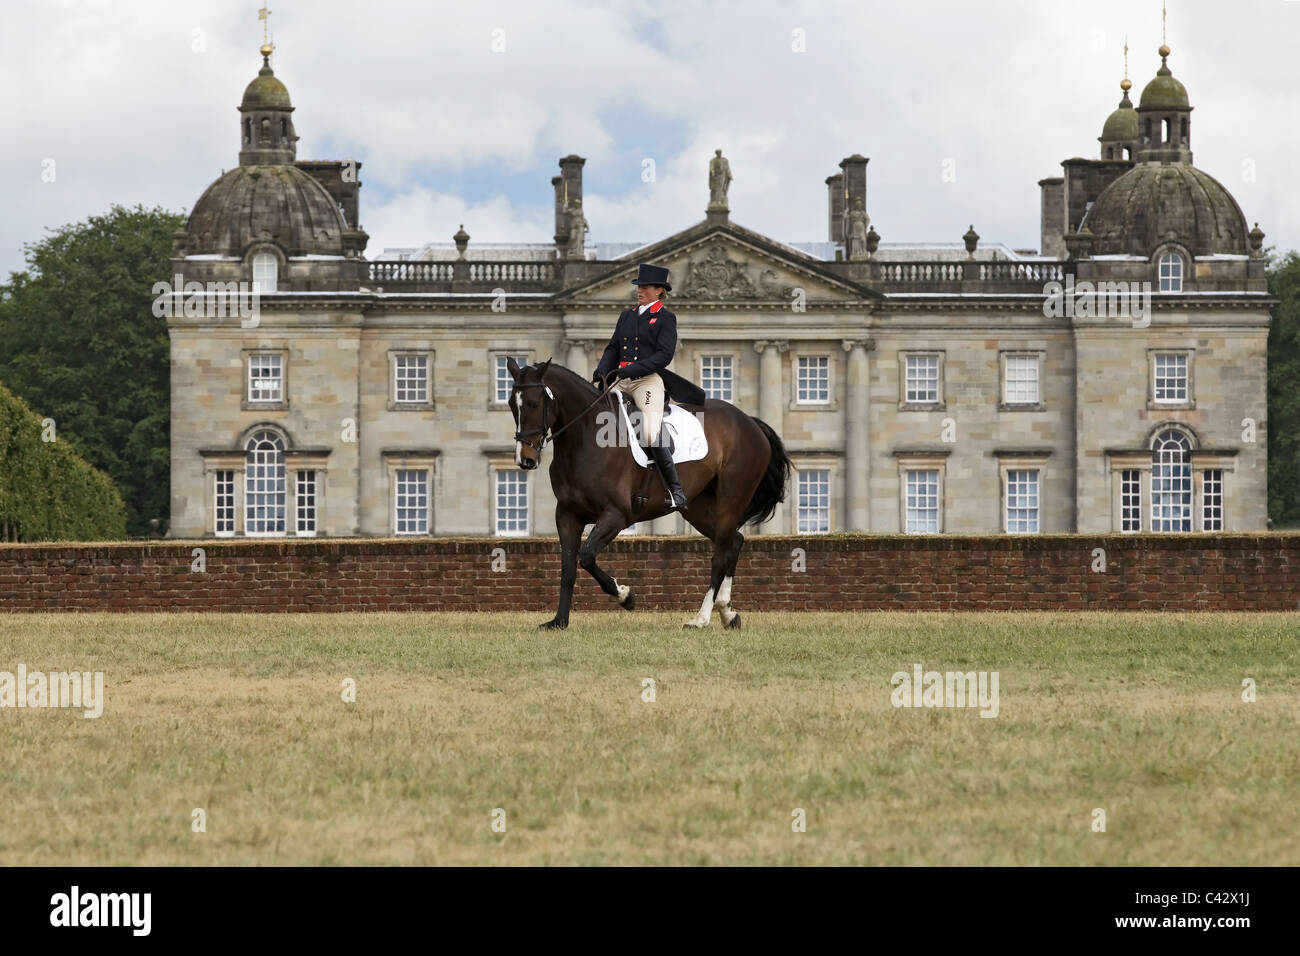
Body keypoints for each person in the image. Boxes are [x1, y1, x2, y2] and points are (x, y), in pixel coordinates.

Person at [592, 263, 691, 511]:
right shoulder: (627, 316)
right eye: (639, 286)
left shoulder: (666, 318)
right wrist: (603, 368)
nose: (640, 291)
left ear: (659, 291)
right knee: (594, 417)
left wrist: (634, 370)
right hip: (620, 379)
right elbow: (613, 347)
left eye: (645, 287)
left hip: (647, 381)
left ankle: (675, 490)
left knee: (648, 432)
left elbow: (664, 355)